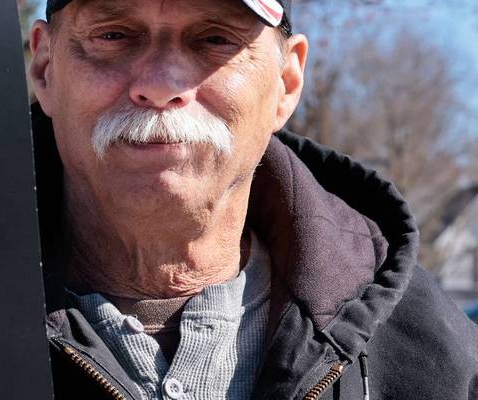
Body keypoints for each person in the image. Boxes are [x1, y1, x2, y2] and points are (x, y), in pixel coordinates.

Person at [27, 0, 478, 398]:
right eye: (114, 35)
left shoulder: (434, 355)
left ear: (285, 83)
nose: (160, 85)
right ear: (45, 67)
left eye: (215, 38)